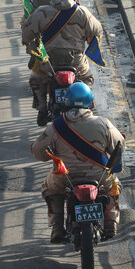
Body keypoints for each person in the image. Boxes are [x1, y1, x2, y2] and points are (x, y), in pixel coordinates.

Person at [30, 82, 125, 243]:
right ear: (89, 101)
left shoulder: (57, 126)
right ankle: (110, 224)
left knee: (49, 188)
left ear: (67, 101)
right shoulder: (103, 123)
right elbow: (119, 145)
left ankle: (57, 227)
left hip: (66, 177)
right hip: (99, 176)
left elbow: (39, 153)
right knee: (113, 187)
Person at [22, 0, 102, 126]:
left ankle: (42, 109)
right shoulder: (82, 13)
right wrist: (88, 39)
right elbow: (97, 32)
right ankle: (88, 107)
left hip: (48, 62)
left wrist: (31, 45)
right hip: (76, 62)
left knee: (36, 80)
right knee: (87, 79)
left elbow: (26, 35)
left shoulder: (41, 12)